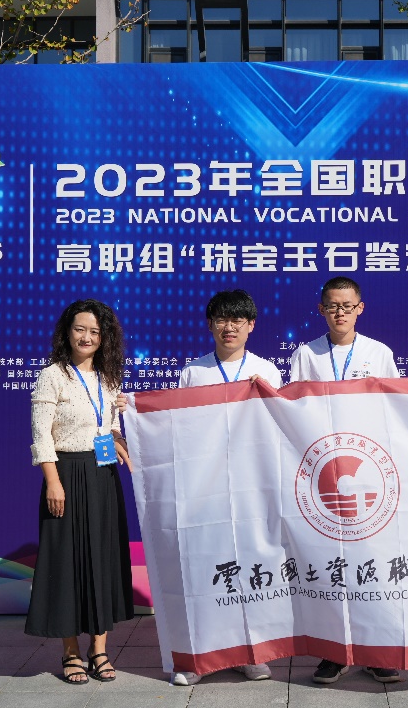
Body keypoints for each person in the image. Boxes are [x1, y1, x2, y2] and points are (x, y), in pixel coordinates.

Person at [289, 276, 402, 686]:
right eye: (333, 306)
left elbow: (394, 406)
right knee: (330, 562)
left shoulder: (379, 352)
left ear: (360, 308)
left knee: (373, 561)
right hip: (322, 471)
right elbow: (293, 407)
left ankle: (376, 652)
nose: (340, 312)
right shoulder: (307, 354)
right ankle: (333, 653)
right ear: (321, 309)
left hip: (367, 469)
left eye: (347, 305)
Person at [172, 289, 281, 686]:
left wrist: (264, 393)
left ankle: (250, 653)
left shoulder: (267, 370)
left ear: (251, 325)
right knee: (205, 567)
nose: (229, 327)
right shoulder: (194, 372)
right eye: (221, 319)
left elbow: (278, 424)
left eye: (237, 320)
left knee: (251, 567)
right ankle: (201, 657)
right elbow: (178, 426)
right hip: (207, 485)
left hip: (252, 485)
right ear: (210, 324)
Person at [25, 299, 135, 685]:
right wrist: (53, 481)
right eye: (80, 329)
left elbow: (109, 428)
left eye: (95, 331)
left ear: (104, 338)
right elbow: (41, 434)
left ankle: (99, 649)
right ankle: (70, 652)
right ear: (67, 332)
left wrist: (119, 436)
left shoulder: (109, 377)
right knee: (67, 564)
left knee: (102, 560)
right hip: (66, 475)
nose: (87, 337)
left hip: (103, 476)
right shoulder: (52, 375)